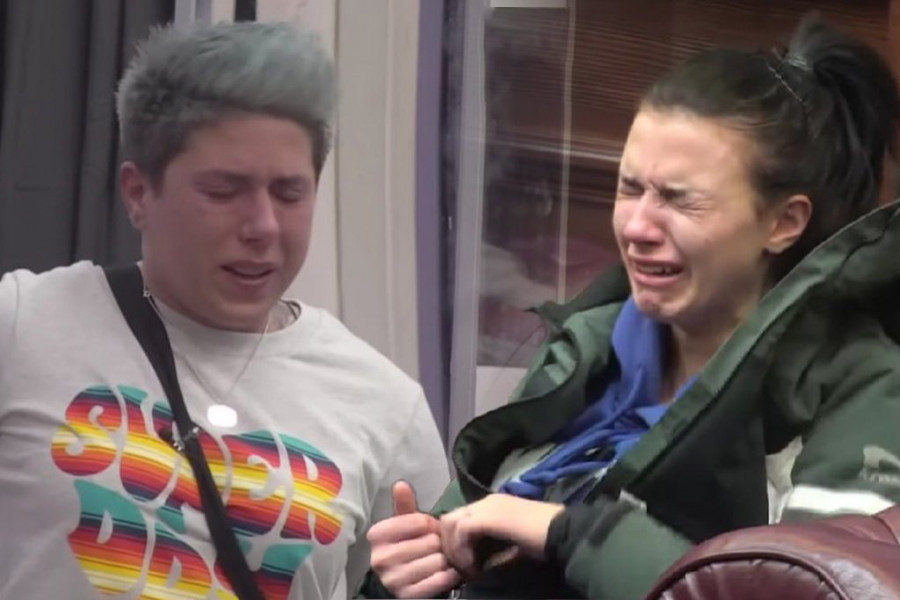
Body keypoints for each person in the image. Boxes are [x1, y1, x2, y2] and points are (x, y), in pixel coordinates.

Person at [361, 14, 900, 600]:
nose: (637, 226)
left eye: (679, 200)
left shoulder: (860, 390)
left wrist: (575, 535)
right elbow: (467, 525)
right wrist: (410, 573)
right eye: (629, 188)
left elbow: (809, 591)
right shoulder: (589, 352)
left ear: (783, 222)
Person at [0, 20, 449, 600]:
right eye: (223, 192)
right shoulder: (22, 326)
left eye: (289, 193)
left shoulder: (386, 406)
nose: (263, 226)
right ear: (138, 193)